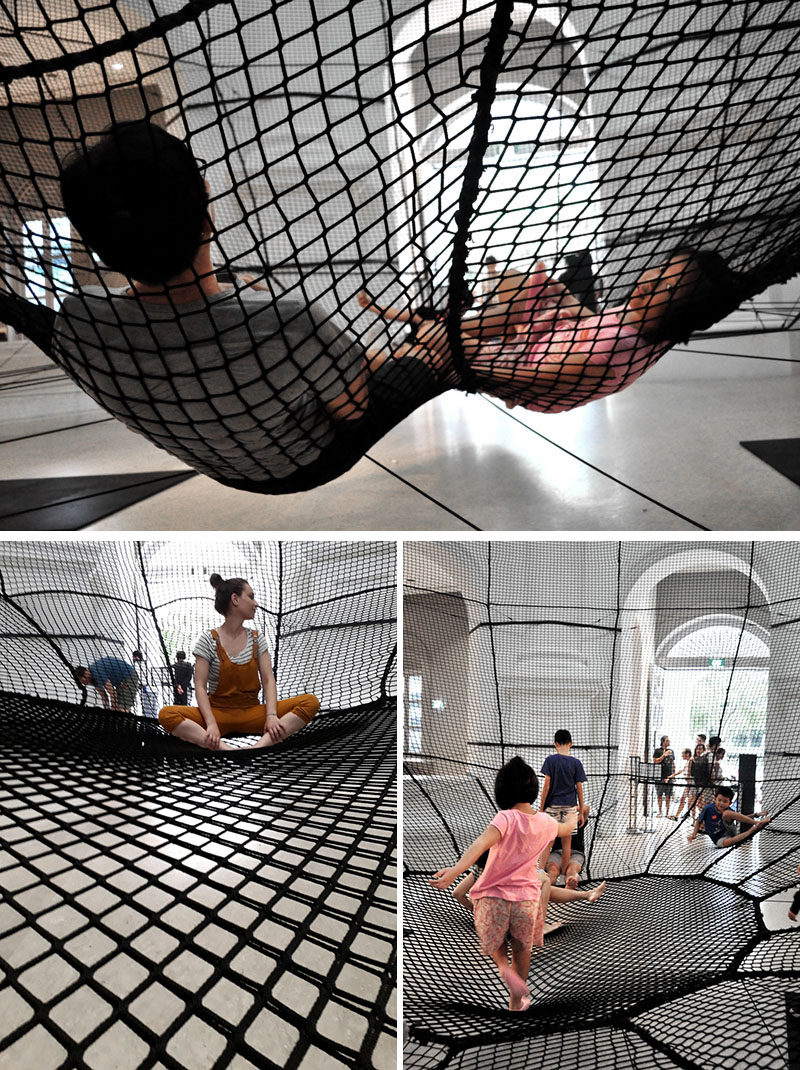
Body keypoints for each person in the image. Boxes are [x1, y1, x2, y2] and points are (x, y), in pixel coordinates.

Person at [54, 120, 443, 492]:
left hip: (220, 464)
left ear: (103, 249)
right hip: (307, 463)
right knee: (441, 351)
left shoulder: (75, 321)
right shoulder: (288, 323)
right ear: (206, 221)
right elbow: (355, 411)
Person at [423, 246, 741, 414]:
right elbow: (595, 322)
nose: (649, 280)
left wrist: (472, 365)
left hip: (525, 370)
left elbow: (534, 378)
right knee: (521, 284)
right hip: (551, 342)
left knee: (432, 339)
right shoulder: (637, 316)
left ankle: (441, 331)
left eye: (667, 286)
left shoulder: (616, 354)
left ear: (681, 313)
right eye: (659, 269)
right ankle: (450, 329)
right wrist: (567, 300)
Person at [429, 756, 577, 1011]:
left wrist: (455, 871)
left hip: (492, 897)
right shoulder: (546, 822)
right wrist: (576, 815)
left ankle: (503, 968)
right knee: (522, 948)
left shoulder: (505, 818)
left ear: (503, 792)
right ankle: (516, 998)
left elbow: (479, 845)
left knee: (495, 944)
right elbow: (567, 828)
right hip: (526, 899)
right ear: (532, 791)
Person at [157, 573, 319, 751]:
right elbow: (200, 685)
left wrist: (271, 715)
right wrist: (211, 724)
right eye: (251, 596)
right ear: (235, 599)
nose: (255, 603)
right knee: (167, 714)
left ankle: (257, 748)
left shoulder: (257, 639)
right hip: (217, 714)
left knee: (310, 702)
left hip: (252, 713)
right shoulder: (208, 640)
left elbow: (268, 680)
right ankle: (225, 749)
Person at [540, 729, 587, 874]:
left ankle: (541, 873)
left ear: (555, 744)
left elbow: (546, 786)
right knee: (567, 844)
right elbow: (579, 788)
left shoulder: (550, 760)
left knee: (548, 842)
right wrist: (580, 810)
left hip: (553, 805)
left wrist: (542, 809)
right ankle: (566, 877)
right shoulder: (576, 763)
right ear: (571, 744)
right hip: (570, 807)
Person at [687, 786, 770, 849]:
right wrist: (694, 835)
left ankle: (757, 823)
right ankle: (753, 829)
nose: (721, 803)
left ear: (730, 803)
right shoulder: (708, 808)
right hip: (718, 838)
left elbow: (740, 817)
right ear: (715, 799)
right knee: (727, 843)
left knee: (726, 813)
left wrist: (756, 815)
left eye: (725, 801)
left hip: (730, 831)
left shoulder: (727, 810)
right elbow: (698, 821)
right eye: (719, 800)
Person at [72, 656, 139, 712]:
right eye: (83, 682)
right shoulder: (92, 680)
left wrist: (113, 711)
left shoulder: (97, 672)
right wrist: (106, 710)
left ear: (87, 670)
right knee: (118, 706)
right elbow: (104, 696)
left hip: (129, 676)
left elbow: (113, 694)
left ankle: (130, 726)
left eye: (84, 678)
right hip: (120, 683)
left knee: (123, 708)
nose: (85, 683)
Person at [667, 748, 694, 821]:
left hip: (691, 784)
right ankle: (676, 816)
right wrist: (671, 776)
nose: (682, 755)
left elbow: (689, 773)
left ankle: (694, 820)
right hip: (688, 784)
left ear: (687, 754)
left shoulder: (691, 761)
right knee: (684, 800)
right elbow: (681, 771)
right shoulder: (687, 762)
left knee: (692, 803)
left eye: (683, 753)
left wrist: (689, 784)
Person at [653, 735, 675, 818]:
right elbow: (655, 761)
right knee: (659, 795)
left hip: (669, 776)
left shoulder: (671, 751)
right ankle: (660, 811)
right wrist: (664, 755)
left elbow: (673, 763)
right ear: (663, 742)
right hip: (659, 776)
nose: (669, 742)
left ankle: (667, 812)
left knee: (668, 795)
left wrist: (674, 775)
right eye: (667, 740)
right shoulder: (657, 751)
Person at [132, 649, 159, 718]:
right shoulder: (148, 663)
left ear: (136, 657)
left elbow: (140, 680)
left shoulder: (137, 665)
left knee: (147, 712)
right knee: (154, 710)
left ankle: (148, 727)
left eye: (133, 657)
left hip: (147, 690)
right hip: (155, 690)